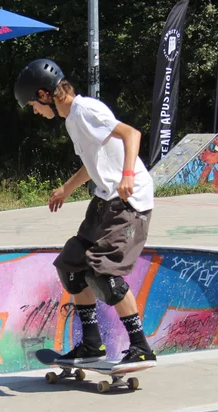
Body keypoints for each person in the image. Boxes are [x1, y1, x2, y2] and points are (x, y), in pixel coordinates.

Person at [14, 58, 156, 368]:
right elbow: (93, 163)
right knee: (72, 263)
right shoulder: (70, 120)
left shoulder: (86, 110)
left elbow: (131, 134)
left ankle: (141, 347)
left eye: (32, 106)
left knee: (102, 270)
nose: (35, 112)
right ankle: (91, 344)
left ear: (43, 94)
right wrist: (66, 189)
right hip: (105, 199)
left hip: (130, 201)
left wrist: (128, 174)